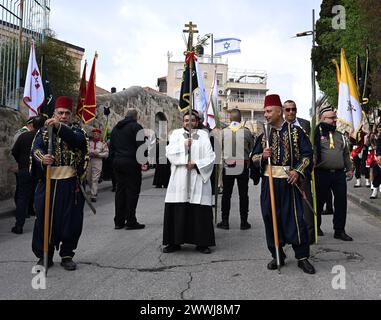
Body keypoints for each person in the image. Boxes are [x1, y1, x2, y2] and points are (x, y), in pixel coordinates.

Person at [251, 94, 315, 274]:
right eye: (265, 112)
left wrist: (297, 171)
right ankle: (277, 254)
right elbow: (252, 158)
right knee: (270, 219)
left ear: (279, 111)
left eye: (269, 111)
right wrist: (262, 156)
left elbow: (307, 154)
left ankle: (302, 257)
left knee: (295, 219)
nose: (266, 115)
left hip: (289, 183)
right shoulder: (264, 134)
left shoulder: (296, 132)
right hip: (269, 183)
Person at [30, 96, 89, 271]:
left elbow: (77, 142)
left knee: (70, 221)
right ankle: (44, 254)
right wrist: (43, 158)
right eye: (60, 113)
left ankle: (67, 254)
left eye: (67, 113)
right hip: (48, 182)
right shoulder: (42, 132)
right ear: (54, 113)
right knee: (43, 218)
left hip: (71, 185)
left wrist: (58, 127)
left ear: (71, 116)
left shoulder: (79, 132)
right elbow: (36, 150)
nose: (63, 116)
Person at [162, 110, 216, 254]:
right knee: (178, 209)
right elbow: (169, 153)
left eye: (192, 120)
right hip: (180, 177)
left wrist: (197, 164)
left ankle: (202, 243)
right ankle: (174, 242)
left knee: (199, 211)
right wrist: (184, 145)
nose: (189, 123)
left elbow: (211, 156)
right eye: (186, 120)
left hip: (198, 178)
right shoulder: (176, 134)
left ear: (197, 122)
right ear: (183, 122)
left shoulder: (204, 135)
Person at [314, 106, 354, 241]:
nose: (334, 120)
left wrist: (349, 169)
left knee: (341, 202)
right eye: (331, 118)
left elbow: (346, 154)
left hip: (338, 175)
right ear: (322, 119)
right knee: (318, 203)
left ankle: (339, 230)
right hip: (321, 173)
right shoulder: (315, 135)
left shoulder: (340, 136)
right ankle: (315, 227)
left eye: (335, 118)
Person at [282, 100, 316, 243]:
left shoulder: (305, 124)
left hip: (302, 172)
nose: (291, 112)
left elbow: (312, 147)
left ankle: (309, 236)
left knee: (306, 204)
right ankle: (288, 236)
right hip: (284, 174)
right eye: (288, 109)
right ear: (283, 111)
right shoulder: (279, 127)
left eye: (293, 109)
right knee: (286, 207)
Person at [110, 109, 148, 230]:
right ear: (136, 116)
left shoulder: (116, 128)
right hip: (131, 163)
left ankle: (119, 221)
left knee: (120, 191)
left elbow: (112, 146)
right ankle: (130, 221)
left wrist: (113, 161)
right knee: (132, 191)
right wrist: (144, 162)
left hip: (117, 162)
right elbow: (141, 147)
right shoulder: (136, 127)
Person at [217, 108, 254, 230]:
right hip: (242, 164)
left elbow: (219, 150)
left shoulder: (223, 132)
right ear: (241, 119)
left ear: (230, 119)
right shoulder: (247, 132)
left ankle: (225, 221)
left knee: (226, 194)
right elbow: (251, 148)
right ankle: (244, 222)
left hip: (228, 164)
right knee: (243, 195)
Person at [11, 116, 44, 234]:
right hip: (39, 170)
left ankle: (19, 225)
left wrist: (21, 162)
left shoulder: (24, 136)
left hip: (24, 169)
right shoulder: (44, 137)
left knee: (22, 197)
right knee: (40, 196)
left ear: (32, 125)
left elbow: (14, 151)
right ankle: (42, 226)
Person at [87, 128, 109, 202]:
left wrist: (99, 154)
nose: (95, 135)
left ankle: (93, 194)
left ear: (99, 135)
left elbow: (106, 154)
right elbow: (85, 150)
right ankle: (93, 190)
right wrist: (90, 152)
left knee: (95, 178)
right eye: (94, 134)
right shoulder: (89, 142)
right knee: (88, 178)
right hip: (89, 160)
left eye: (97, 134)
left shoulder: (103, 143)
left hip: (98, 161)